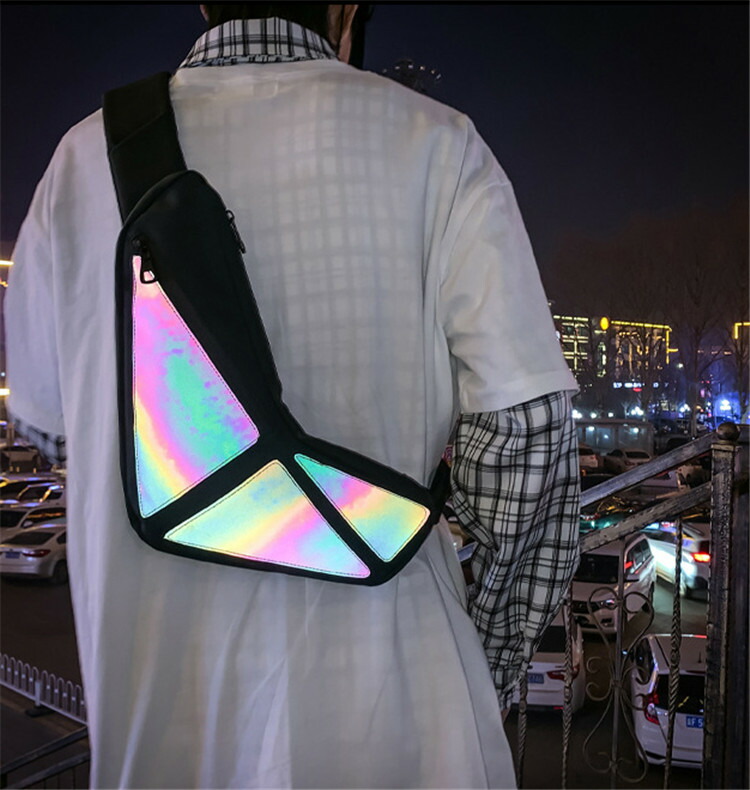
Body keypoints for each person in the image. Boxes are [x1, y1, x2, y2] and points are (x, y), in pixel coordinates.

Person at [6, 4, 580, 787]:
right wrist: (489, 657)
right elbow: (529, 427)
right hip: (405, 726)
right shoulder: (439, 144)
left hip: (164, 732)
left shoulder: (79, 164)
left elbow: (48, 428)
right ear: (345, 8)